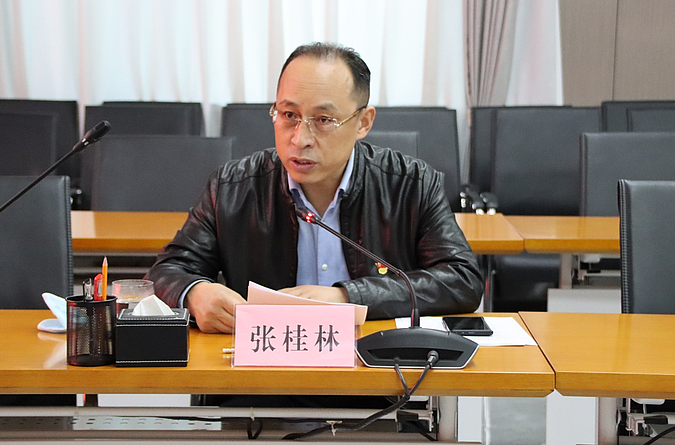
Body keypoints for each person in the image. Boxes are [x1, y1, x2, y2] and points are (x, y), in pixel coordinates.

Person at [147, 42, 483, 334]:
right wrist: (194, 293)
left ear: (363, 122)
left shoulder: (411, 184)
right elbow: (168, 270)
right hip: (263, 373)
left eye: (323, 120)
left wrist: (348, 297)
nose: (300, 139)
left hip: (374, 369)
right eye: (288, 115)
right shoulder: (232, 188)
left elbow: (462, 279)